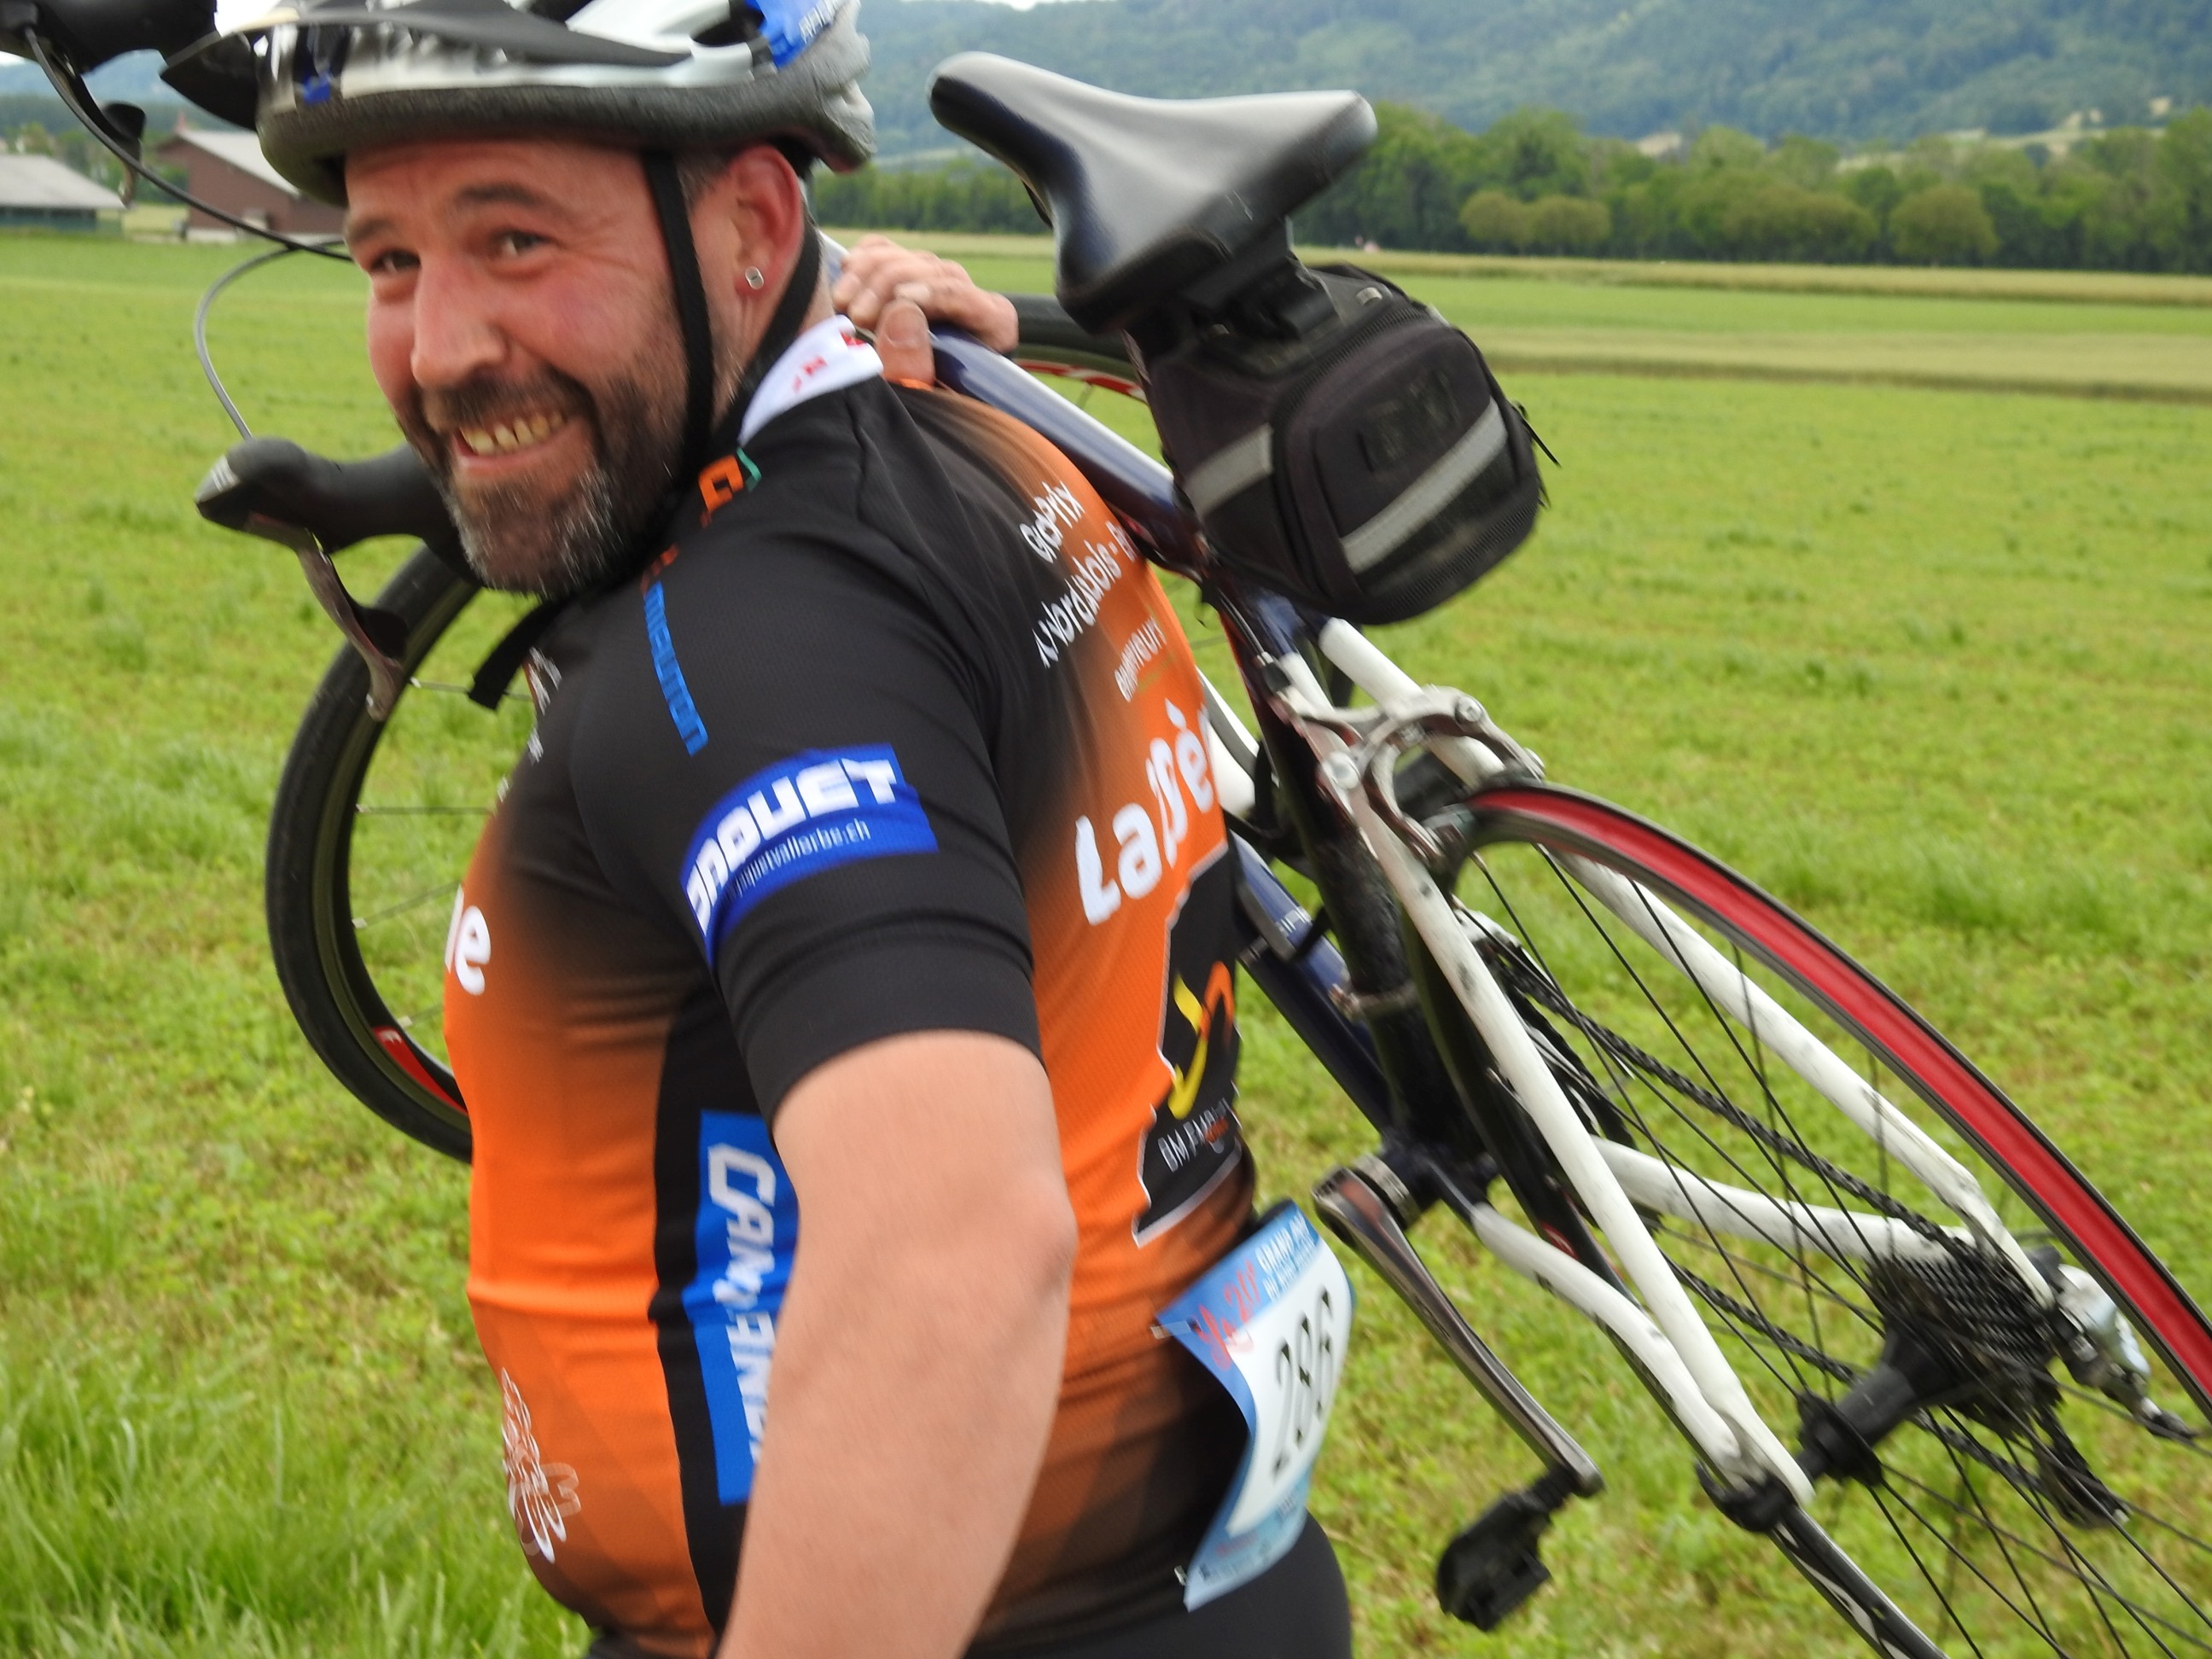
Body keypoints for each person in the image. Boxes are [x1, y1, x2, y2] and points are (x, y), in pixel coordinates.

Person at [236, 0, 1355, 1652]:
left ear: (755, 228)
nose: (443, 345)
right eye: (390, 261)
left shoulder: (749, 647)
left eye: (516, 239)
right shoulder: (959, 429)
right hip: (1196, 1583)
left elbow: (947, 1261)